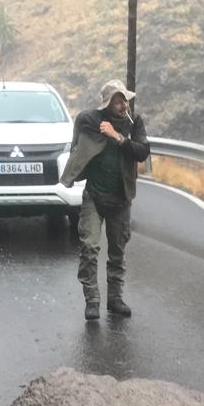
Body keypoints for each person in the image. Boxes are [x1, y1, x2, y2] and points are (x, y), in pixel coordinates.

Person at [61, 80, 150, 320]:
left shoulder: (134, 124)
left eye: (125, 100)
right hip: (94, 196)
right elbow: (78, 138)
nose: (123, 105)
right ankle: (92, 300)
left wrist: (117, 136)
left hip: (121, 198)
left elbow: (142, 152)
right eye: (117, 101)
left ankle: (115, 299)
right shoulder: (91, 120)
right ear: (107, 104)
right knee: (89, 247)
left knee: (118, 250)